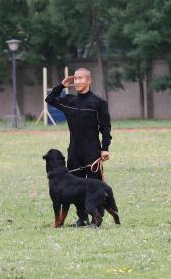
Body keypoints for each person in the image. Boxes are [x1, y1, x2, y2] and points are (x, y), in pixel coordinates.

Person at [45, 68, 112, 226]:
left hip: (93, 151)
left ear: (89, 81)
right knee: (75, 186)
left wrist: (105, 148)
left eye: (81, 78)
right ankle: (82, 218)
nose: (77, 82)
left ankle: (97, 220)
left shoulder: (98, 103)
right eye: (75, 79)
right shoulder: (69, 100)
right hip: (74, 151)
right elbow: (49, 99)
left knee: (95, 186)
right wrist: (62, 85)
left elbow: (105, 127)